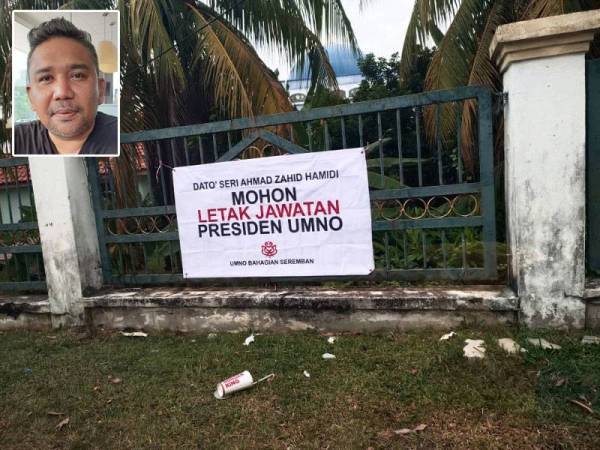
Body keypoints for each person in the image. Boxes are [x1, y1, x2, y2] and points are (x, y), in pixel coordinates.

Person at [14, 17, 117, 156]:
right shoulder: (17, 141)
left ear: (100, 90)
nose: (62, 92)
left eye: (77, 75)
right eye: (46, 78)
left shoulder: (122, 138)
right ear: (31, 97)